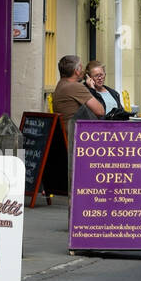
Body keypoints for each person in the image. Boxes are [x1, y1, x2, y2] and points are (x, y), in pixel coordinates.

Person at [50, 55, 104, 192]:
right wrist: (90, 89)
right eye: (81, 67)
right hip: (78, 137)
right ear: (77, 71)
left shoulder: (61, 84)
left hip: (68, 134)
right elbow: (100, 111)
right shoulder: (74, 87)